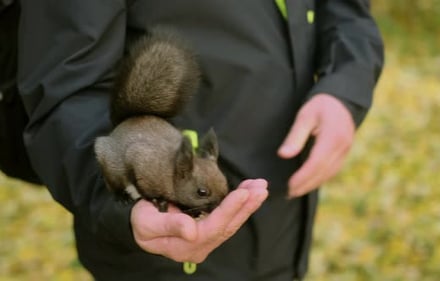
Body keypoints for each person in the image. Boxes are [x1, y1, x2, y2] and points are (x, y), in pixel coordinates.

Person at [17, 1, 384, 280]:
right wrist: (120, 201)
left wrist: (345, 84)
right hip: (166, 236)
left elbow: (346, 10)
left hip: (282, 221)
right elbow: (67, 82)